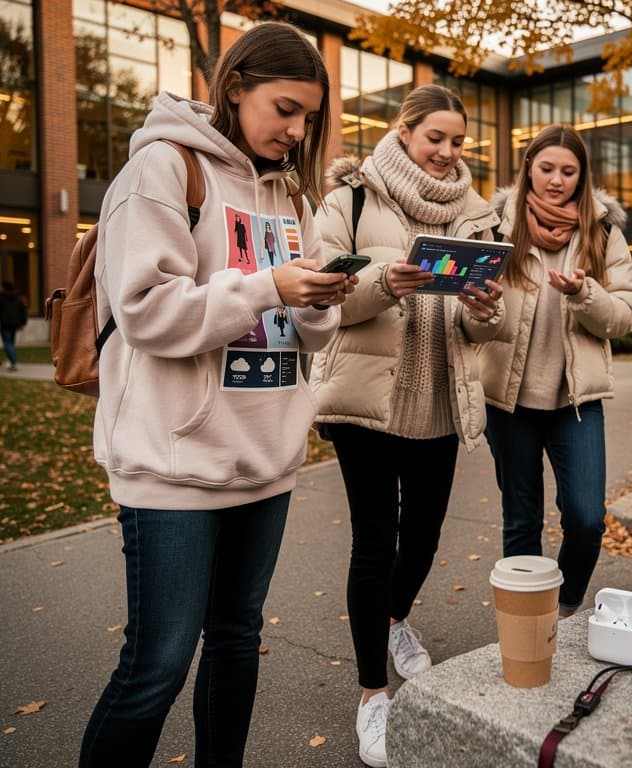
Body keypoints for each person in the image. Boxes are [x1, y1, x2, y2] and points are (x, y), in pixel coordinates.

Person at [80, 22, 352, 768]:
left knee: (237, 639)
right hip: (173, 467)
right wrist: (269, 284)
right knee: (157, 666)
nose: (297, 131)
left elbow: (308, 336)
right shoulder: (162, 170)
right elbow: (143, 311)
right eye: (285, 109)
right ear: (235, 88)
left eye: (308, 118)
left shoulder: (290, 193)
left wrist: (319, 298)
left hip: (265, 460)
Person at [309, 84, 504, 768]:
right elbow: (323, 304)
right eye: (436, 139)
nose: (449, 154)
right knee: (374, 540)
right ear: (405, 132)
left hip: (439, 401)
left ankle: (394, 621)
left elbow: (491, 324)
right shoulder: (351, 200)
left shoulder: (477, 216)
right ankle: (371, 696)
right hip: (368, 403)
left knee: (422, 534)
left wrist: (485, 306)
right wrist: (384, 284)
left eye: (459, 142)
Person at [481, 124, 632, 619]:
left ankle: (565, 609)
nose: (556, 180)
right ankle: (524, 622)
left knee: (587, 518)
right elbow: (474, 312)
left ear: (582, 175)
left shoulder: (603, 232)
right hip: (509, 402)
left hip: (575, 402)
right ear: (528, 167)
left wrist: (584, 294)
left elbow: (625, 316)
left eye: (568, 171)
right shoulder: (495, 227)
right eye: (546, 168)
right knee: (522, 520)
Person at [0, 280, 27, 371]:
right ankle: (12, 362)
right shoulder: (17, 298)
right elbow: (23, 311)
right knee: (11, 343)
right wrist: (23, 323)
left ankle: (13, 362)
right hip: (15, 324)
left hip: (5, 324)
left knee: (7, 343)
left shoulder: (2, 297)